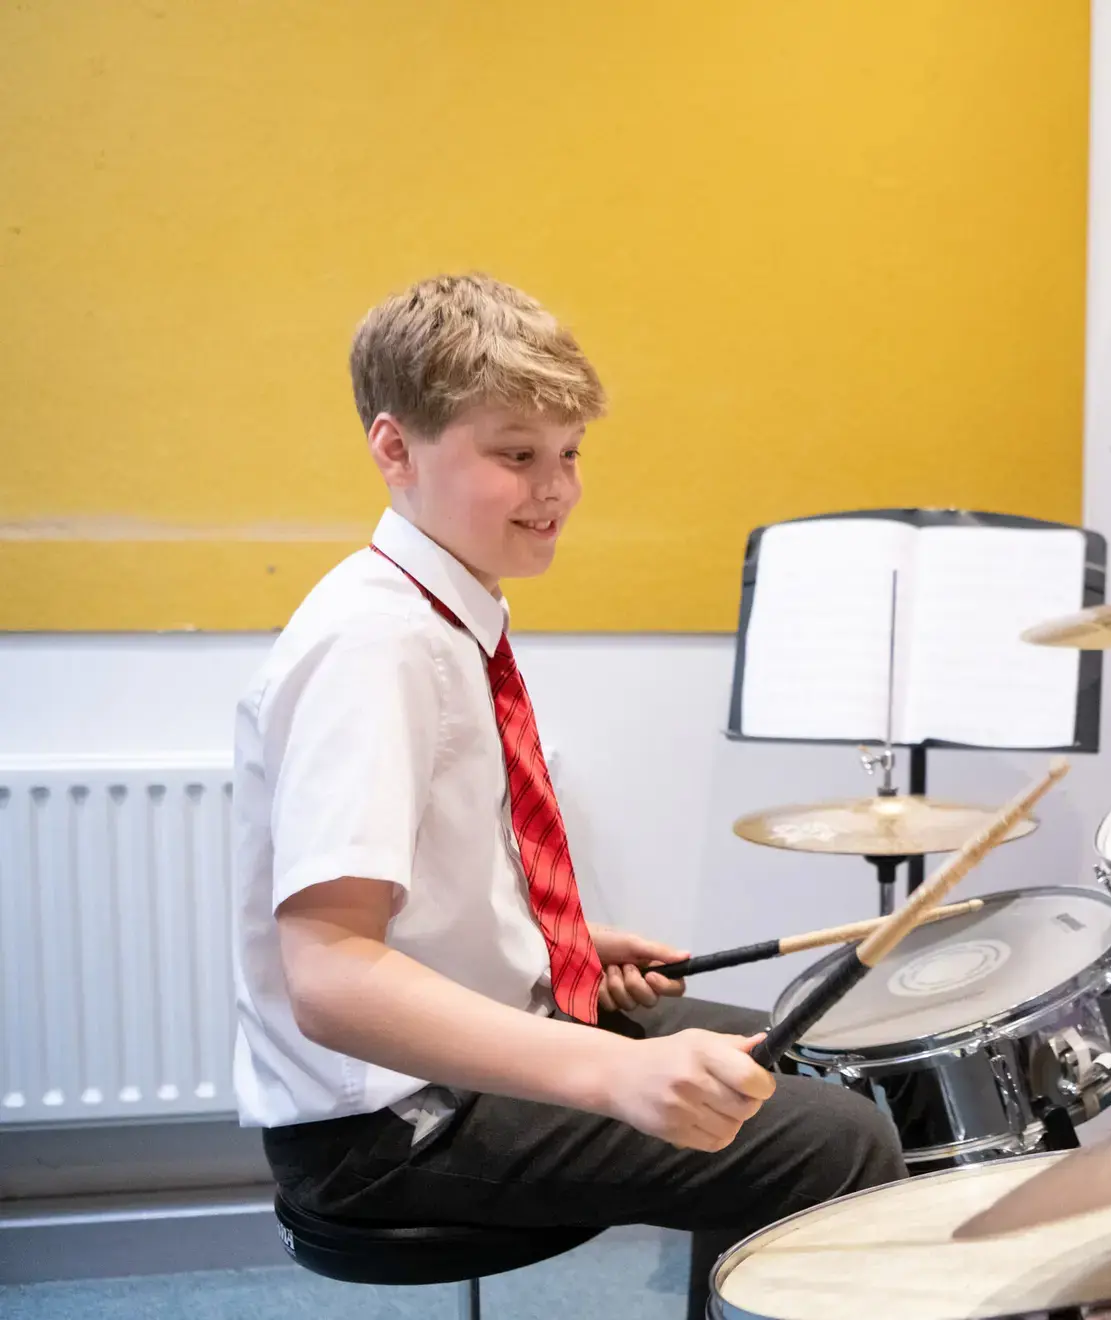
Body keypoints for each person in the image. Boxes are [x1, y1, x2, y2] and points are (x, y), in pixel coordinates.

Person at [230, 273, 905, 1316]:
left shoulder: (444, 613)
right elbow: (331, 978)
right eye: (515, 455)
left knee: (811, 1055)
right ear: (395, 448)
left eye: (569, 453)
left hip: (463, 1060)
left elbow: (420, 900)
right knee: (830, 1138)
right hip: (389, 1131)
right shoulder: (377, 646)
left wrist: (566, 947)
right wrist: (607, 1075)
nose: (557, 490)